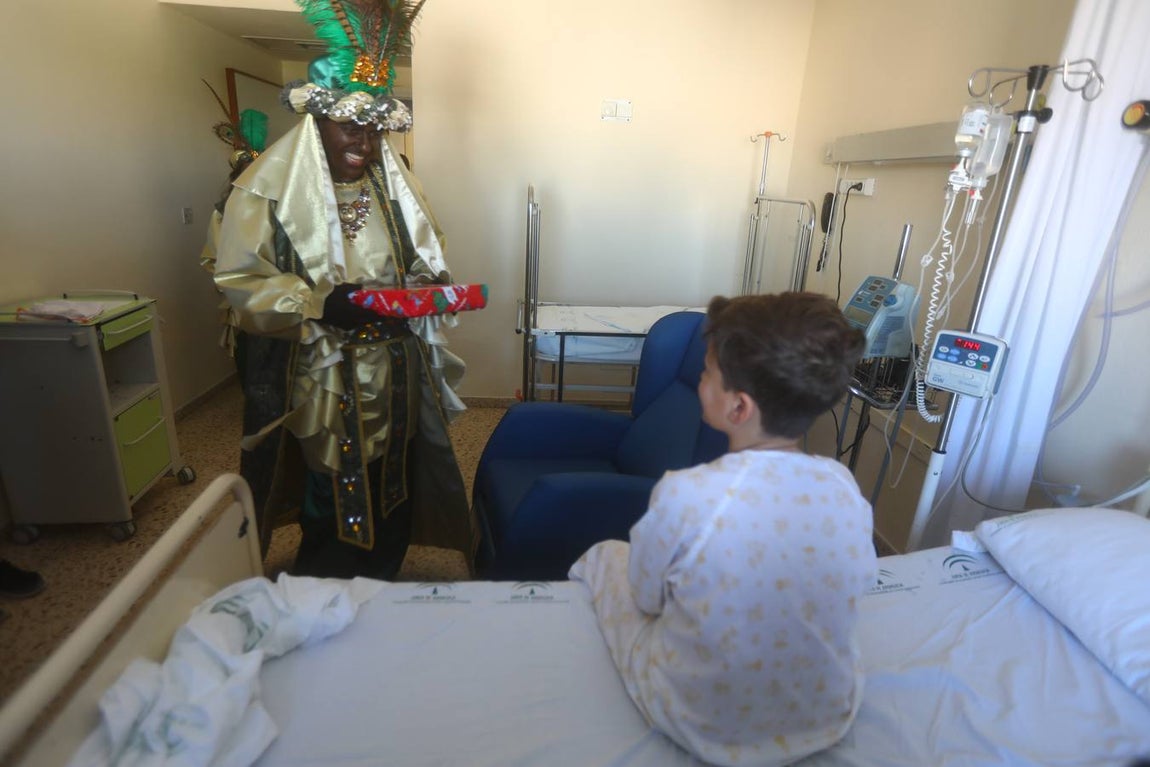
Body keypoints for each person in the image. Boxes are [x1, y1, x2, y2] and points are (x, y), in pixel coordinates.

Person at [212, 0, 477, 579]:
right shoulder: (264, 192)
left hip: (398, 362)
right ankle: (326, 581)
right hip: (324, 370)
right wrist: (313, 302)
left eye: (377, 127)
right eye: (350, 125)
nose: (365, 141)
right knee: (334, 482)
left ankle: (384, 571)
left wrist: (425, 285)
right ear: (317, 122)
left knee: (397, 473)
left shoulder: (394, 183)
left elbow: (425, 253)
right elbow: (239, 280)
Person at [569, 292, 877, 767]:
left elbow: (648, 599)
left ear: (738, 408)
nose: (699, 378)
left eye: (707, 371)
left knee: (607, 554)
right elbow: (855, 586)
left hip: (702, 722)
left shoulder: (688, 493)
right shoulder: (844, 487)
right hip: (824, 716)